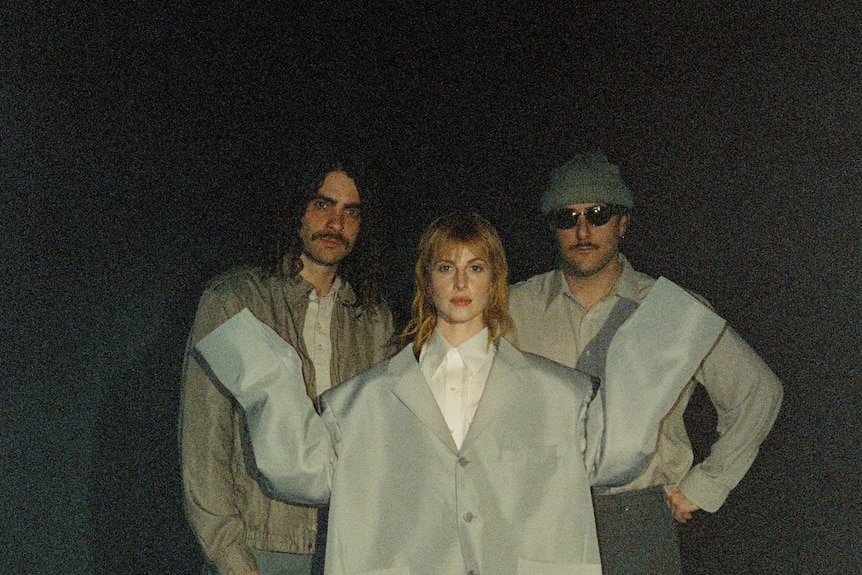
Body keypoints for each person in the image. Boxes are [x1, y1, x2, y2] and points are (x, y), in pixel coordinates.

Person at [193, 213, 604, 575]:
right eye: (446, 267)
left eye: (475, 267)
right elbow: (299, 471)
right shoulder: (359, 404)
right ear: (426, 278)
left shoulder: (562, 395)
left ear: (495, 278)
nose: (461, 282)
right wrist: (261, 371)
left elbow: (619, 455)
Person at [507, 151, 784, 574]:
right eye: (568, 217)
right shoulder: (512, 307)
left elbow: (758, 392)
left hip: (635, 521)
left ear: (623, 223)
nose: (583, 230)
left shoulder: (671, 309)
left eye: (598, 214)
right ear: (553, 228)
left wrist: (705, 485)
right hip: (539, 516)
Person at [179, 158, 398, 575]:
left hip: (346, 549)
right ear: (295, 208)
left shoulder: (372, 316)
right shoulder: (235, 301)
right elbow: (204, 445)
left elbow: (382, 444)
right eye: (322, 205)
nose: (336, 223)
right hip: (259, 547)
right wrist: (231, 559)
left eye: (351, 211)